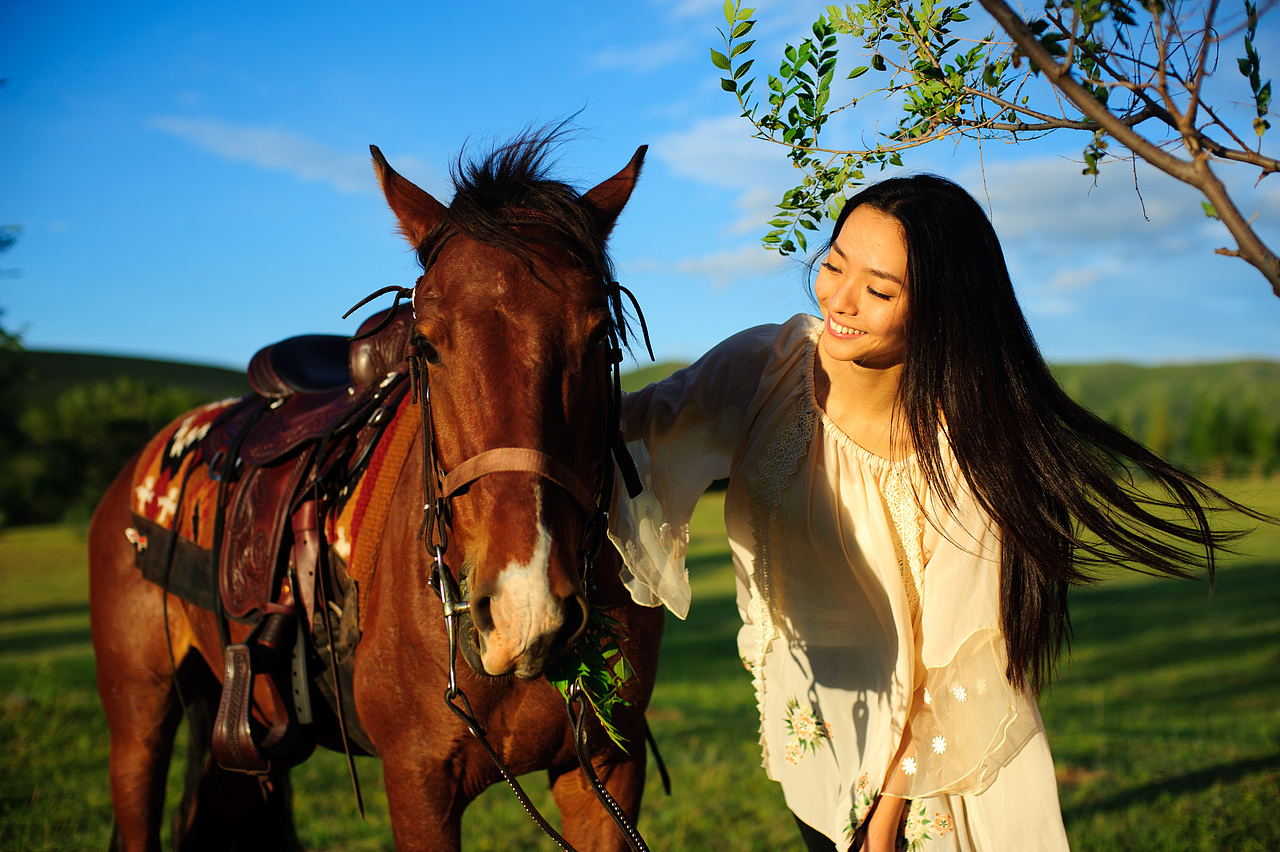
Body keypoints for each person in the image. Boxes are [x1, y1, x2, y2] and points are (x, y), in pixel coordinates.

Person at [608, 174, 1255, 851]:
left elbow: (959, 665)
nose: (841, 299)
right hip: (819, 730)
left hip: (933, 764)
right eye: (833, 265)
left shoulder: (965, 461)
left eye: (880, 290)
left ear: (942, 310)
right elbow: (633, 425)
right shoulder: (766, 368)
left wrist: (885, 821)